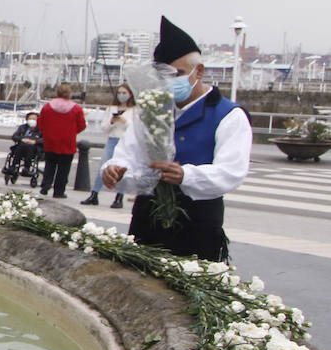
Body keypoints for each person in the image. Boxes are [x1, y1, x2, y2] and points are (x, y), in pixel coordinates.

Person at [102, 16, 252, 262]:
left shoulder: (229, 115)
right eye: (163, 76)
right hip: (147, 218)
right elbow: (127, 155)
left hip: (197, 223)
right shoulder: (150, 111)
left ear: (199, 71)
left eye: (178, 74)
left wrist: (186, 175)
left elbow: (231, 172)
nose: (169, 83)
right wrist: (114, 171)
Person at [82, 83, 136, 207]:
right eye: (120, 93)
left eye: (124, 93)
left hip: (125, 141)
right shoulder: (111, 108)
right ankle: (94, 194)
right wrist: (112, 122)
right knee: (104, 166)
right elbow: (104, 127)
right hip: (112, 139)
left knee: (122, 169)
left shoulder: (134, 110)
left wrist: (124, 121)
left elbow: (135, 128)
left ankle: (119, 197)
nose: (122, 95)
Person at [36, 82, 87, 199]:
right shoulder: (76, 109)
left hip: (51, 141)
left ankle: (46, 184)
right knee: (64, 168)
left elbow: (40, 123)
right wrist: (72, 132)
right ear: (69, 94)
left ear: (57, 93)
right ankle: (59, 191)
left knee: (50, 164)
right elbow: (82, 125)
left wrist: (48, 133)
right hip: (67, 142)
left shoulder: (48, 107)